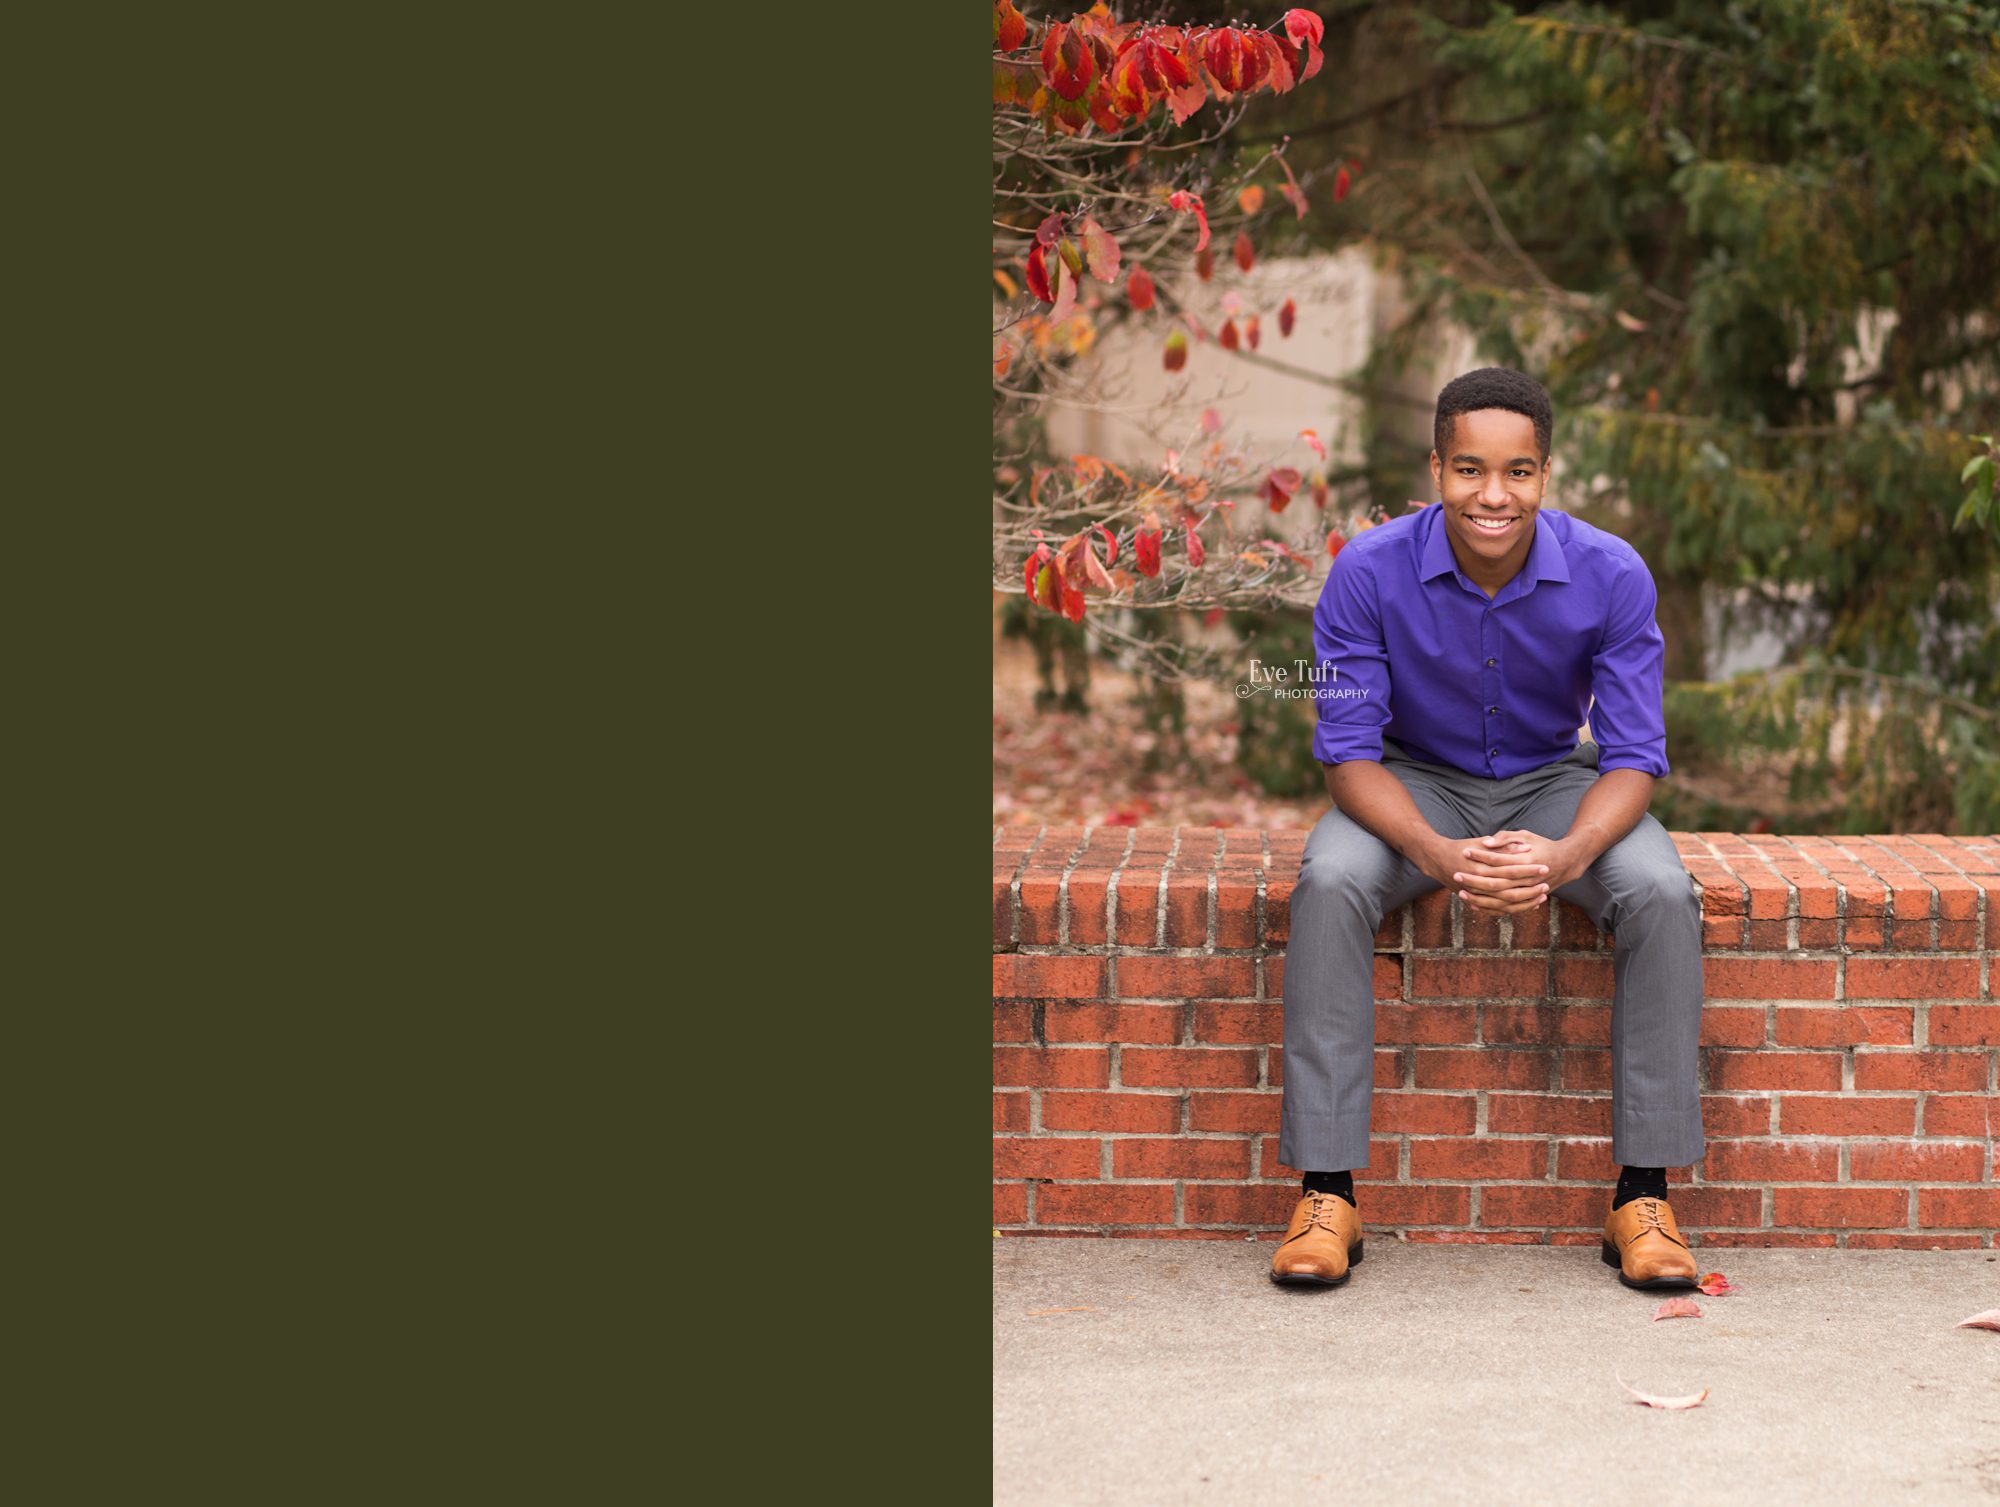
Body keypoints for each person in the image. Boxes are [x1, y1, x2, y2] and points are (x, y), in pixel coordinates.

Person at [1270, 366, 1704, 1292]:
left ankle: (1643, 1197)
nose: (1493, 494)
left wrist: (1566, 853)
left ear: (1546, 473)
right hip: (1410, 786)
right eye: (1469, 469)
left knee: (1661, 889)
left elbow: (1634, 754)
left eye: (1517, 471)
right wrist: (1433, 850)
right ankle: (1327, 1195)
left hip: (1553, 784)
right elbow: (1348, 754)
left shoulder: (1612, 572)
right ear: (1436, 469)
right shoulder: (1367, 570)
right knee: (1330, 880)